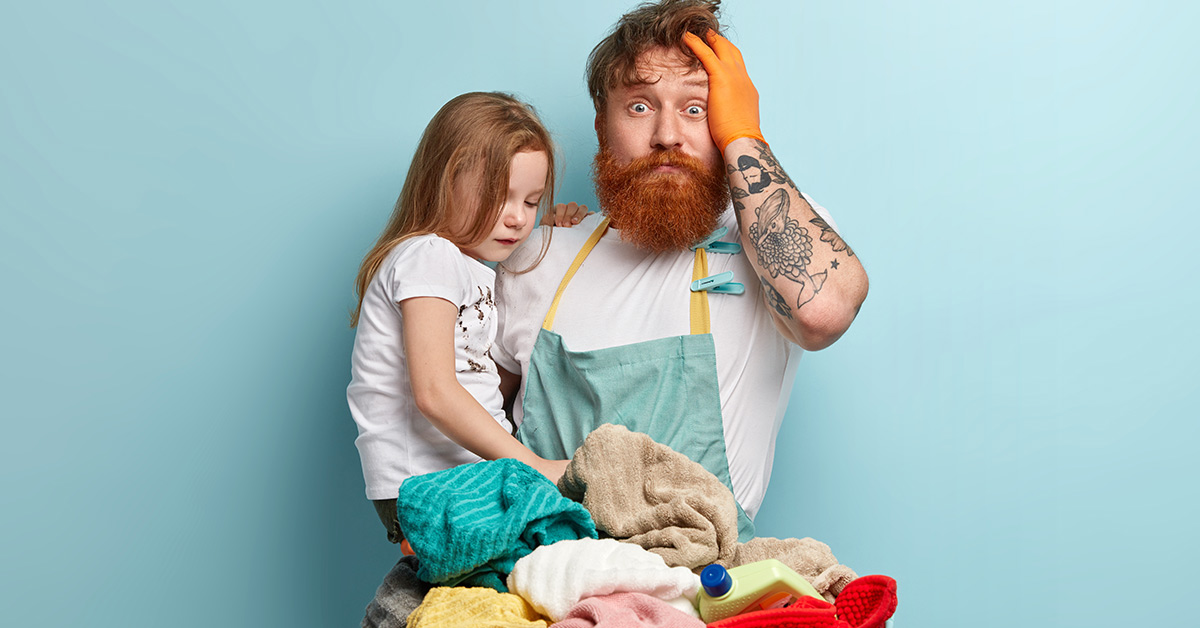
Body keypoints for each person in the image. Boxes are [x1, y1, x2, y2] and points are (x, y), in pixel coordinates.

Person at [492, 0, 869, 540]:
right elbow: (469, 425)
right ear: (603, 126)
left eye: (696, 109)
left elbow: (825, 311)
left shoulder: (766, 235)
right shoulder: (538, 253)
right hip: (538, 585)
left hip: (699, 594)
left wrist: (744, 136)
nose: (668, 135)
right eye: (640, 107)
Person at [347, 91, 570, 545]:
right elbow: (435, 392)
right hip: (429, 483)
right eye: (499, 196)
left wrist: (563, 229)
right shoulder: (430, 257)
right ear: (444, 180)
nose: (517, 220)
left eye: (531, 202)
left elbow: (479, 378)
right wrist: (534, 466)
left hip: (452, 479)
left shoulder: (465, 269)